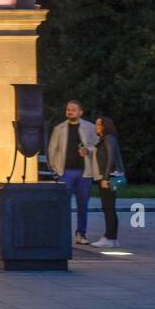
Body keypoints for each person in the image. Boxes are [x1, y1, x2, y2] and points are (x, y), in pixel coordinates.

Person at [47, 99, 99, 245]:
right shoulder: (59, 129)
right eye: (68, 109)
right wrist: (56, 171)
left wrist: (88, 150)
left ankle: (81, 234)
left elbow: (97, 147)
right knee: (62, 204)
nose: (70, 111)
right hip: (65, 172)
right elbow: (52, 150)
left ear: (80, 112)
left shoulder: (90, 127)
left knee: (83, 205)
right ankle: (61, 234)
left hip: (84, 172)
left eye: (73, 109)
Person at [92, 116, 123, 248]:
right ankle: (112, 237)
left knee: (108, 207)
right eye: (96, 124)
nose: (96, 126)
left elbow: (111, 158)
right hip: (110, 176)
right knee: (109, 207)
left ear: (106, 126)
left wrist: (105, 178)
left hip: (109, 177)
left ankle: (109, 237)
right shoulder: (104, 139)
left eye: (99, 124)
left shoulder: (108, 139)